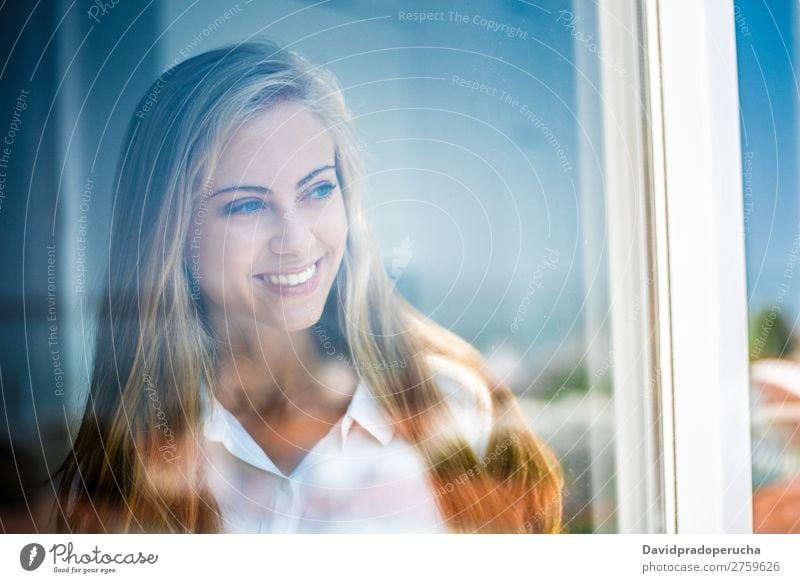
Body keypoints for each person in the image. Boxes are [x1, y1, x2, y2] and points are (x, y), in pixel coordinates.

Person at [50, 41, 563, 534]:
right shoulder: (119, 471)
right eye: (247, 205)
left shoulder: (455, 404)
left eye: (318, 189)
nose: (296, 241)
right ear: (170, 232)